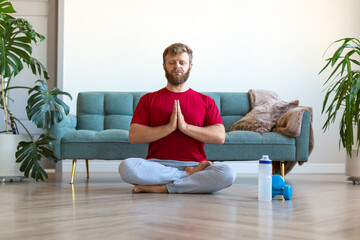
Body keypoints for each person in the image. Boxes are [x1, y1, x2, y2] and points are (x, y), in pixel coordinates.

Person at [118, 43, 236, 193]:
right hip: (157, 166)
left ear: (190, 66)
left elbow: (220, 137)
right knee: (127, 167)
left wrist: (185, 127)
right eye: (172, 62)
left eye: (182, 62)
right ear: (164, 66)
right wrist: (169, 128)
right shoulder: (148, 99)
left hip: (195, 163)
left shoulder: (206, 101)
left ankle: (164, 188)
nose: (177, 66)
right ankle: (186, 176)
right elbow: (134, 136)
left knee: (228, 173)